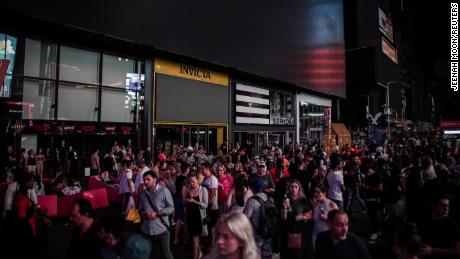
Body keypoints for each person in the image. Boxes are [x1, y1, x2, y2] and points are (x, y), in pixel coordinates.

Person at [138, 170, 174, 259]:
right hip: (146, 230)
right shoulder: (143, 193)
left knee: (166, 254)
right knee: (151, 255)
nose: (145, 182)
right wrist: (144, 213)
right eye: (144, 180)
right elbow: (140, 209)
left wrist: (157, 213)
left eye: (148, 179)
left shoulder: (164, 191)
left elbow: (171, 208)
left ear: (155, 179)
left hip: (161, 229)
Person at [280, 179, 313, 259]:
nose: (294, 189)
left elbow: (310, 214)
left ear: (299, 188)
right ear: (289, 188)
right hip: (288, 231)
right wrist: (284, 208)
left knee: (300, 254)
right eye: (292, 187)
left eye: (296, 187)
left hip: (301, 231)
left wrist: (303, 217)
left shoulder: (303, 201)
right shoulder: (286, 200)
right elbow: (284, 218)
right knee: (289, 254)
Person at [243, 179, 272, 259]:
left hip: (255, 234)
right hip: (268, 233)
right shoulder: (269, 199)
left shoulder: (252, 201)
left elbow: (245, 218)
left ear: (253, 188)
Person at [185, 174, 209, 259]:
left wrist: (194, 201)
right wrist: (187, 201)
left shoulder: (203, 190)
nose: (191, 183)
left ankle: (195, 256)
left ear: (197, 181)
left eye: (193, 181)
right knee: (195, 237)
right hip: (190, 216)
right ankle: (200, 253)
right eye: (190, 182)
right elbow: (186, 203)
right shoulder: (188, 190)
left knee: (195, 238)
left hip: (199, 217)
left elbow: (205, 205)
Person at [201, 162, 219, 243]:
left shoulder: (213, 179)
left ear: (207, 169)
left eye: (203, 169)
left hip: (212, 206)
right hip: (205, 205)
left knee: (212, 225)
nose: (201, 170)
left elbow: (212, 193)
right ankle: (207, 241)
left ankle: (212, 243)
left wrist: (207, 204)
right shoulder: (204, 178)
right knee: (206, 224)